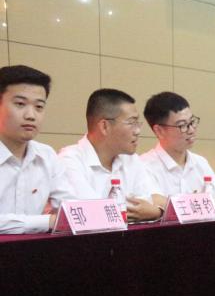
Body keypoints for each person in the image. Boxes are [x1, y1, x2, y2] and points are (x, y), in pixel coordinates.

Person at [58, 88, 162, 222]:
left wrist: (155, 212)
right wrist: (149, 212)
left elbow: (144, 206)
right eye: (131, 122)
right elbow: (88, 214)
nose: (137, 131)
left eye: (137, 123)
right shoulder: (69, 160)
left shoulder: (131, 160)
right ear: (104, 126)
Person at [0, 65, 81, 234]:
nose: (31, 115)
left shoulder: (46, 155)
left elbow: (71, 207)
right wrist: (48, 221)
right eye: (20, 104)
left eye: (39, 107)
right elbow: (56, 221)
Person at [140, 92, 215, 211]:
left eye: (192, 122)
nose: (191, 130)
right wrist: (213, 202)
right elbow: (157, 204)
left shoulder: (200, 162)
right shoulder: (144, 166)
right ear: (159, 131)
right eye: (182, 125)